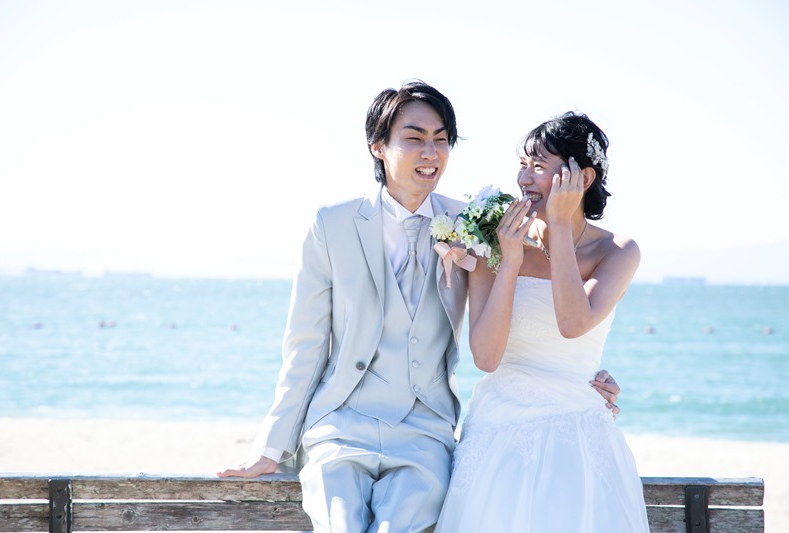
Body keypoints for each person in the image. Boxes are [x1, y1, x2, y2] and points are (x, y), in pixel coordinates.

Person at [218, 83, 621, 532]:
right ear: (378, 146)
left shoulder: (477, 223)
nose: (430, 152)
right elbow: (305, 345)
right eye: (414, 138)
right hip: (340, 426)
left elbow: (542, 309)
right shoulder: (332, 225)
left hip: (424, 431)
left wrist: (580, 379)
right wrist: (270, 447)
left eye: (441, 139)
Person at [435, 112, 650, 532]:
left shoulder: (619, 252)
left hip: (580, 430)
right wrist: (510, 262)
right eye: (522, 164)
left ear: (582, 178)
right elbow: (486, 358)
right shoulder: (494, 237)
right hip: (499, 429)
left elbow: (573, 323)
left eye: (538, 166)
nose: (523, 179)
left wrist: (559, 226)